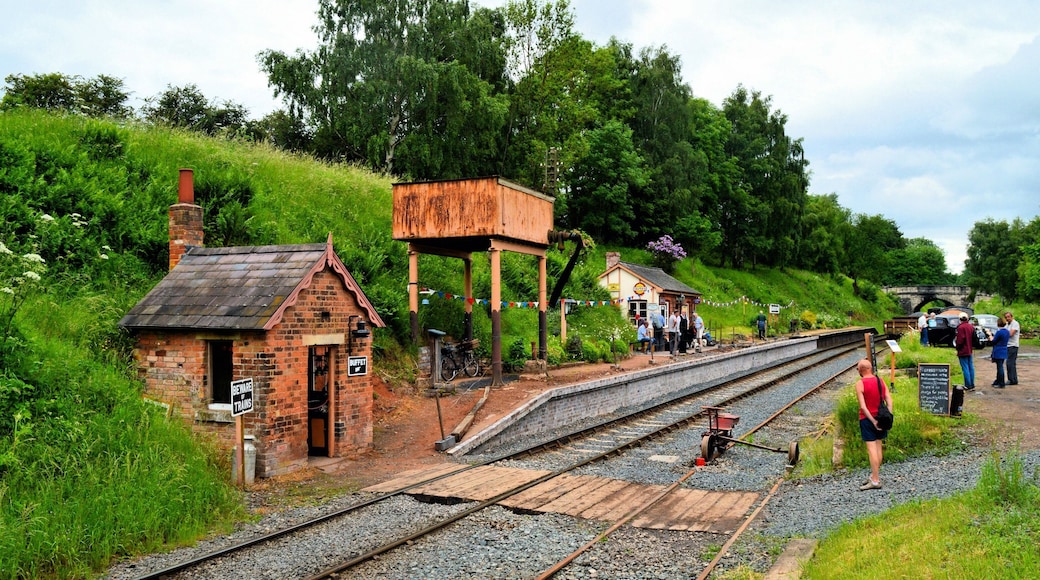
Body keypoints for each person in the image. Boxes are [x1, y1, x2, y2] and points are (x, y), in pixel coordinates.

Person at [855, 359, 892, 490]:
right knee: (878, 447)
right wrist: (888, 416)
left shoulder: (860, 384)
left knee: (872, 451)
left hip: (867, 419)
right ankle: (874, 475)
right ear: (870, 368)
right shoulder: (880, 381)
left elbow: (863, 407)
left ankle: (875, 480)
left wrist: (873, 421)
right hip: (881, 418)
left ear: (860, 370)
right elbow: (888, 398)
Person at [954, 312, 976, 390]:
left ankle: (968, 384)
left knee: (965, 368)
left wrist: (957, 347)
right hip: (969, 349)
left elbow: (960, 340)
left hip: (963, 350)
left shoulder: (960, 328)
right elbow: (974, 338)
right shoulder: (971, 327)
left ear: (960, 319)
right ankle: (972, 384)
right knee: (971, 367)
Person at [990, 317, 1010, 388]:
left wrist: (990, 336)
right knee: (1000, 366)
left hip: (998, 350)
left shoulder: (999, 332)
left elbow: (993, 341)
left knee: (1000, 367)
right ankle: (998, 381)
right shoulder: (1007, 332)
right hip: (1004, 350)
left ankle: (1001, 383)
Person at [1004, 311, 1020, 385]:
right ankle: (1013, 379)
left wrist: (1003, 334)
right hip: (1008, 345)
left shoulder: (1015, 324)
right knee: (1010, 363)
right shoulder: (1007, 324)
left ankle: (1012, 379)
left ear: (1011, 317)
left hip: (1013, 345)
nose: (1007, 318)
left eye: (1008, 317)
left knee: (1010, 363)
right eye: (1006, 317)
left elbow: (1011, 334)